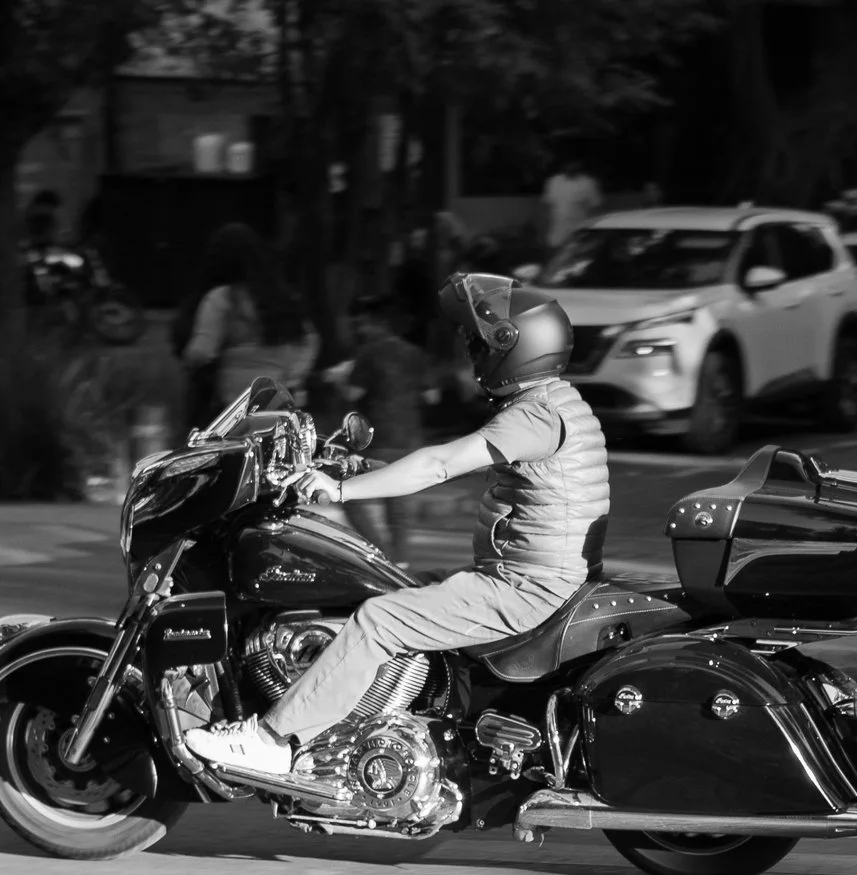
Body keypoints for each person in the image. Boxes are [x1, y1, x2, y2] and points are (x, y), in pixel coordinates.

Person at [183, 274, 606, 779]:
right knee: (383, 579)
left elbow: (439, 465)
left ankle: (274, 739)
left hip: (525, 587)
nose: (471, 352)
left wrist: (339, 493)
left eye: (476, 341)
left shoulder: (534, 414)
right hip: (530, 576)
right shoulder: (559, 403)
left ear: (510, 346)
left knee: (378, 620)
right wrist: (354, 469)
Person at [325, 294, 429, 561]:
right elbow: (432, 395)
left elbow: (351, 393)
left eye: (362, 324)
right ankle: (401, 562)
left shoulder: (368, 352)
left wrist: (336, 378)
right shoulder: (413, 352)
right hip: (409, 437)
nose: (359, 329)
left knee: (350, 496)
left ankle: (380, 554)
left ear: (374, 323)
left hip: (376, 437)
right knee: (397, 503)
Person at [181, 222, 321, 411]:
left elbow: (201, 352)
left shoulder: (221, 298)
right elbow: (310, 340)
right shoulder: (283, 297)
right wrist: (293, 376)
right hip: (281, 397)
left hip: (234, 401)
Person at [540, 158, 603, 251]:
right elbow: (547, 205)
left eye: (573, 163)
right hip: (556, 233)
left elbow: (596, 207)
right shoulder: (553, 181)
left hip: (578, 233)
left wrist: (592, 234)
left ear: (579, 164)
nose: (570, 166)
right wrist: (543, 228)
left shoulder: (588, 183)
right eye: (568, 163)